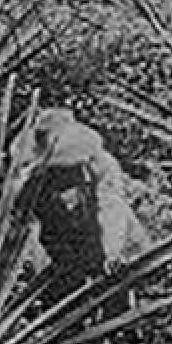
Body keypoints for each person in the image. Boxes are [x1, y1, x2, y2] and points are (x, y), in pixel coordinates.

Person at [12, 107, 146, 304]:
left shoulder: (101, 165)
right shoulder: (31, 179)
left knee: (116, 292)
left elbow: (111, 207)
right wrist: (34, 266)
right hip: (61, 250)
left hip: (103, 240)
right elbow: (25, 224)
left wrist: (112, 251)